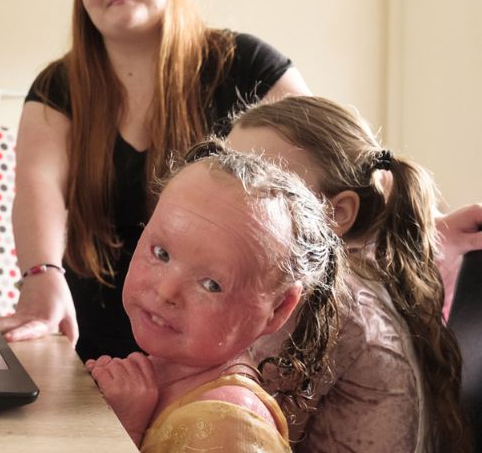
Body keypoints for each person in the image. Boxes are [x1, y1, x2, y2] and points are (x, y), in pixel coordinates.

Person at [0, 0, 310, 361]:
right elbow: (37, 185)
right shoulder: (57, 86)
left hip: (214, 356)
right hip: (88, 347)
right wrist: (40, 275)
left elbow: (325, 165)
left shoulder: (247, 63)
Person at [225, 95, 470, 453]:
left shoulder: (326, 301)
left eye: (260, 186)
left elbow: (241, 432)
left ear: (337, 214)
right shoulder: (369, 271)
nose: (223, 198)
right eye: (225, 171)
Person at [84, 143, 345, 451]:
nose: (167, 291)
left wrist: (124, 430)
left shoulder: (228, 426)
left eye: (211, 284)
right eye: (161, 253)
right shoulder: (168, 372)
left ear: (277, 309)